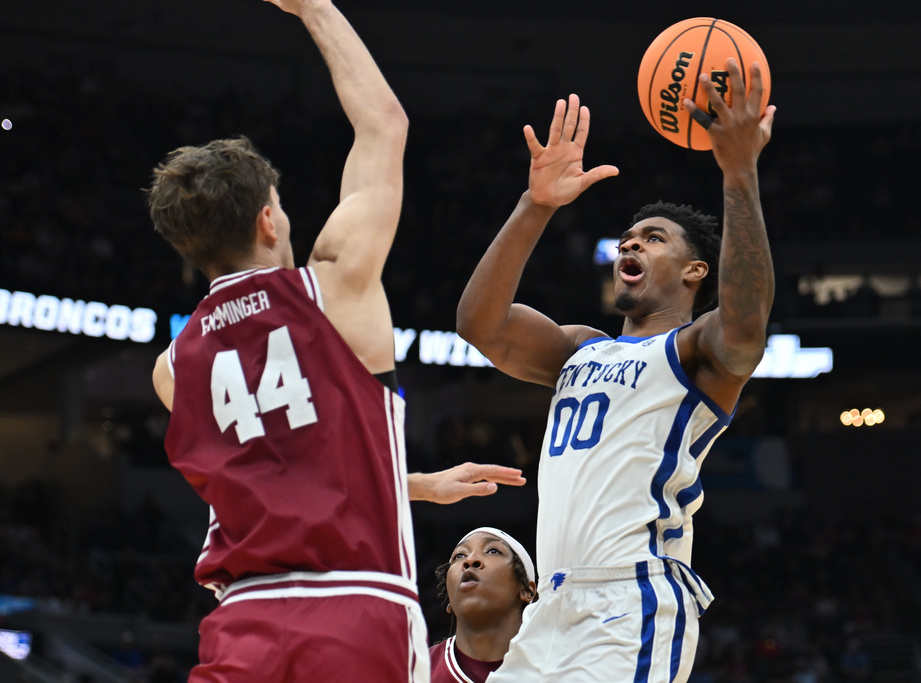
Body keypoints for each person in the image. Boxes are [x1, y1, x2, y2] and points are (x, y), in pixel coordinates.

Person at [146, 1, 523, 681]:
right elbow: (385, 125)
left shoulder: (172, 368)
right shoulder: (335, 286)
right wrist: (315, 7)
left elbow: (282, 470)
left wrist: (418, 486)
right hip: (358, 606)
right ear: (269, 219)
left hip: (240, 622)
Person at [456, 59, 776, 682]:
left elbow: (746, 326)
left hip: (630, 600)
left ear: (694, 272)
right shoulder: (582, 349)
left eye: (653, 238)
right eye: (627, 238)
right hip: (549, 608)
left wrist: (738, 172)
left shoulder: (696, 352)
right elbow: (480, 326)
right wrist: (534, 205)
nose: (631, 245)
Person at [429, 527, 537, 683]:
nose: (470, 560)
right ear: (449, 601)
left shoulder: (558, 667)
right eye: (460, 555)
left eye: (493, 551)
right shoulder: (413, 671)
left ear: (527, 590)